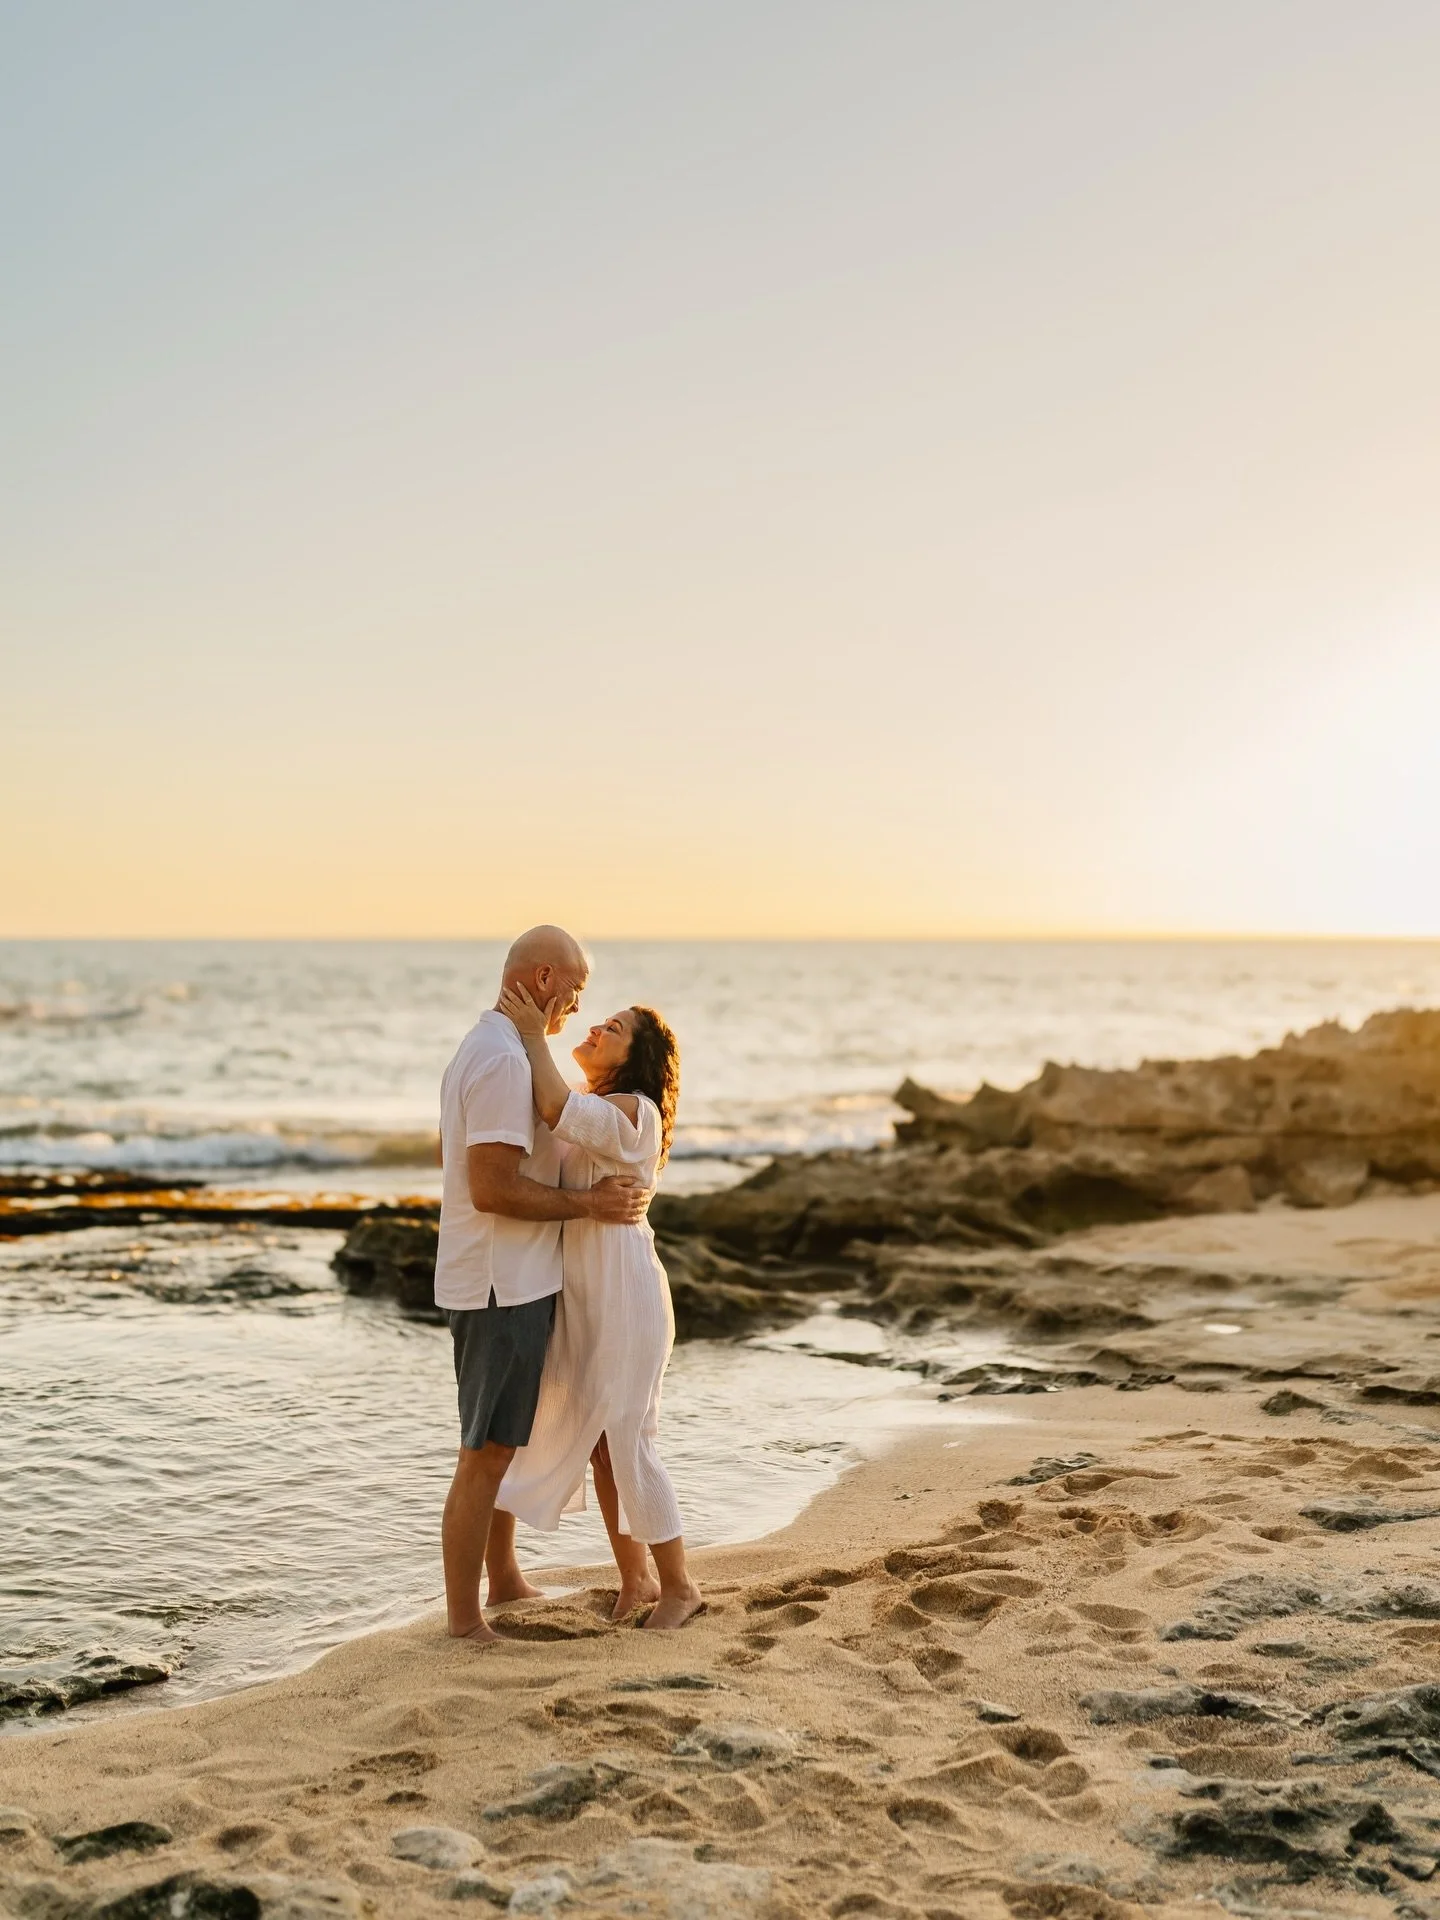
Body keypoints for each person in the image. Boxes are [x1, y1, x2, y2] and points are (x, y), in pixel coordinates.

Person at [436, 926, 650, 1644]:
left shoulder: (502, 1050)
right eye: (576, 989)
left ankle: (502, 1580)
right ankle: (466, 1623)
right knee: (486, 1451)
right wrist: (590, 1206)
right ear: (542, 977)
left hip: (516, 1277)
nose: (578, 1006)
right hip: (500, 1283)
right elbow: (492, 1187)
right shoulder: (499, 1060)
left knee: (506, 1441)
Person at [495, 981, 703, 1631]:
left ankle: (680, 1586)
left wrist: (532, 1032)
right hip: (589, 1301)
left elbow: (554, 1105)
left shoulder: (634, 1112)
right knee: (603, 1448)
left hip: (629, 1301)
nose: (593, 1029)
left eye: (611, 1028)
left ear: (634, 1058)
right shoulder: (597, 1107)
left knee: (630, 1443)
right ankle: (636, 1578)